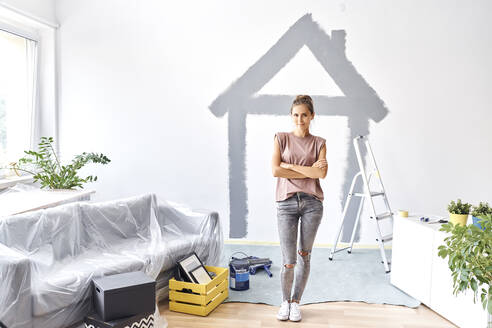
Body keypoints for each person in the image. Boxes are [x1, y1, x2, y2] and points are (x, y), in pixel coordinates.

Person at [271, 95, 328, 322]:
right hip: (286, 202)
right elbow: (276, 171)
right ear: (291, 115)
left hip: (312, 203)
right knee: (288, 260)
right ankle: (285, 302)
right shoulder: (281, 138)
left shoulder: (320, 143)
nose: (300, 119)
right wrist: (307, 169)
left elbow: (321, 174)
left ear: (312, 116)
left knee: (304, 255)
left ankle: (296, 302)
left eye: (304, 114)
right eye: (296, 115)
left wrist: (290, 166)